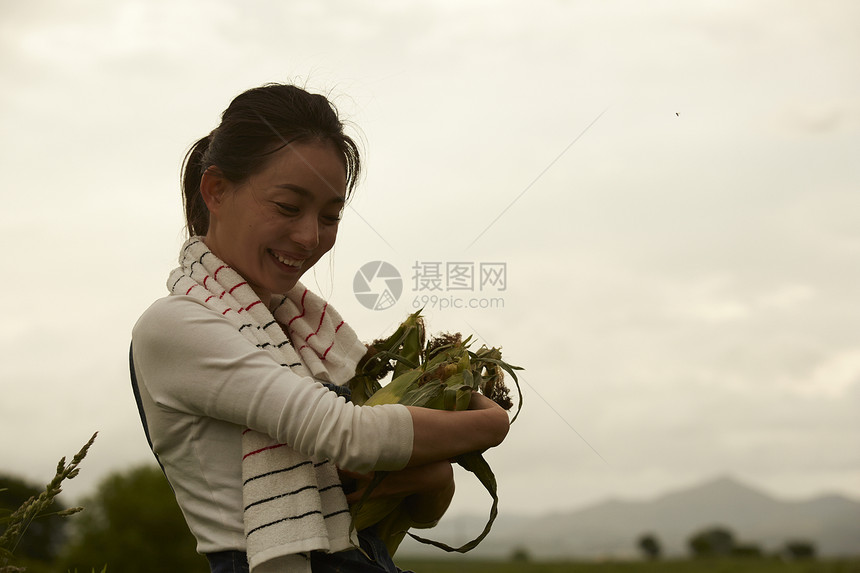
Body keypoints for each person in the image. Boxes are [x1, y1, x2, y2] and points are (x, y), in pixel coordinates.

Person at [129, 83, 509, 573]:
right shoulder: (176, 325)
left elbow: (425, 509)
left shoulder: (304, 335)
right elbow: (349, 435)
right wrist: (490, 424)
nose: (310, 236)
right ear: (216, 190)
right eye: (288, 207)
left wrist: (428, 470)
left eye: (330, 216)